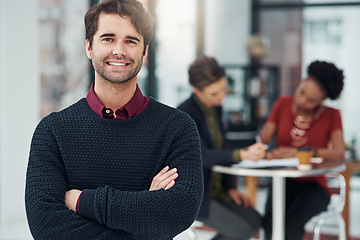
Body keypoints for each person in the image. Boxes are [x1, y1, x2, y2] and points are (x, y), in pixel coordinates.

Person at [25, 0, 204, 239]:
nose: (119, 50)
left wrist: (82, 201)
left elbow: (179, 212)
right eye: (108, 39)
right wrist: (145, 213)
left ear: (145, 52)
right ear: (89, 47)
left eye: (131, 41)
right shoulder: (53, 131)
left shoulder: (178, 128)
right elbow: (45, 225)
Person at [178, 56, 266, 240]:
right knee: (241, 230)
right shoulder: (185, 114)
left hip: (216, 190)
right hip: (196, 195)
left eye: (224, 90)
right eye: (214, 94)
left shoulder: (215, 108)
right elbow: (202, 155)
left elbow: (220, 145)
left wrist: (230, 187)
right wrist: (241, 154)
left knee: (255, 220)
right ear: (197, 91)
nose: (222, 98)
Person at [260, 60, 345, 240]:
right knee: (269, 225)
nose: (301, 100)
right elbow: (263, 141)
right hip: (282, 181)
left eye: (311, 100)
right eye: (302, 92)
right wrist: (267, 149)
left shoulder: (331, 115)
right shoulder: (283, 103)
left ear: (322, 100)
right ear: (301, 82)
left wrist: (300, 153)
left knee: (291, 226)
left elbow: (339, 152)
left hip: (314, 186)